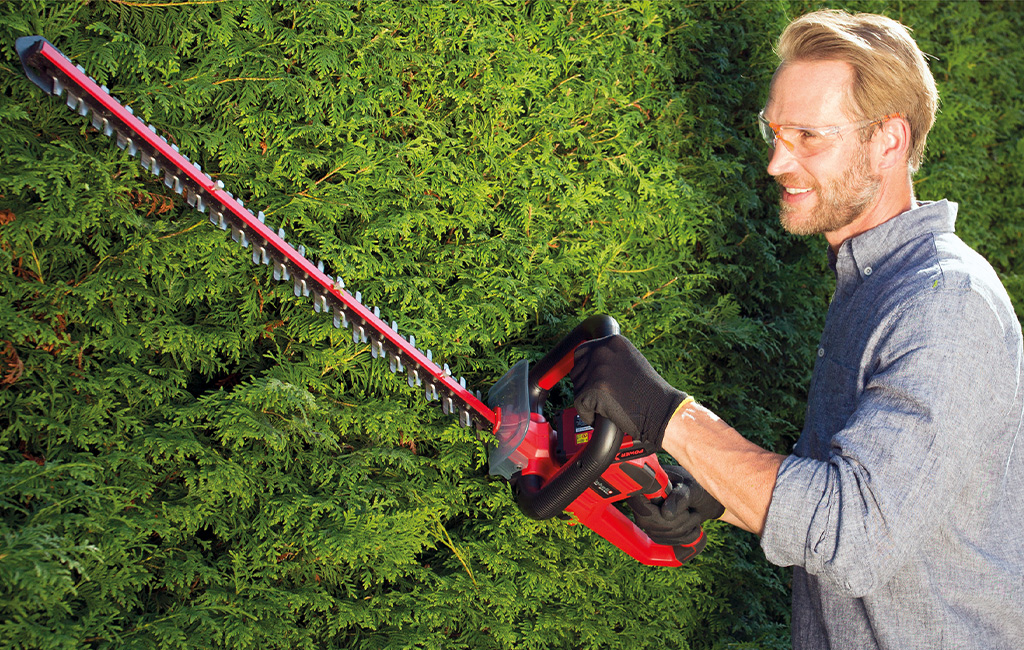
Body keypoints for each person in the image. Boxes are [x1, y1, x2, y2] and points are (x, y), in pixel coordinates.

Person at [570, 9, 1024, 649]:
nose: (777, 163)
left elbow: (853, 535)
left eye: (809, 136)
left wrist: (670, 416)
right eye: (775, 132)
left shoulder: (941, 301)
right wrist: (717, 495)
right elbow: (862, 494)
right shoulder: (872, 284)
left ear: (888, 142)